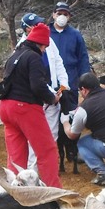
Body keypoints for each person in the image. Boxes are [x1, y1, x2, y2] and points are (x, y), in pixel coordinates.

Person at [0, 22, 63, 187]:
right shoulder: (33, 57)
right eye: (44, 47)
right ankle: (53, 192)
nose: (44, 51)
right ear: (40, 43)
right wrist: (52, 98)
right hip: (24, 108)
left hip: (5, 107)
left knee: (16, 155)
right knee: (47, 151)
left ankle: (13, 192)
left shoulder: (15, 55)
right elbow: (37, 86)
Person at [18, 13, 69, 164]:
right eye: (35, 25)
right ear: (26, 29)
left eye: (40, 24)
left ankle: (47, 165)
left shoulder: (48, 41)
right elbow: (34, 78)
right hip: (37, 96)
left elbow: (58, 63)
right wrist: (51, 94)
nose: (39, 27)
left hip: (53, 93)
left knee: (52, 134)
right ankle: (33, 169)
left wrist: (64, 85)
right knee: (34, 135)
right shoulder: (22, 48)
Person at [49, 2, 91, 113]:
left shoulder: (75, 35)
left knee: (70, 113)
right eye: (59, 13)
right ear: (53, 15)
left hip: (70, 81)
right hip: (49, 82)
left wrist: (84, 81)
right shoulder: (45, 32)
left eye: (65, 14)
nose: (62, 16)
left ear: (69, 17)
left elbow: (83, 58)